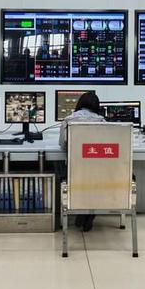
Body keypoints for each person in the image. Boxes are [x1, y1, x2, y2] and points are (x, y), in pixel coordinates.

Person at [59, 92, 105, 232]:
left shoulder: (68, 120)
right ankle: (89, 212)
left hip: (75, 172)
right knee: (94, 177)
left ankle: (79, 210)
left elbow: (63, 145)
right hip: (98, 173)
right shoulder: (102, 122)